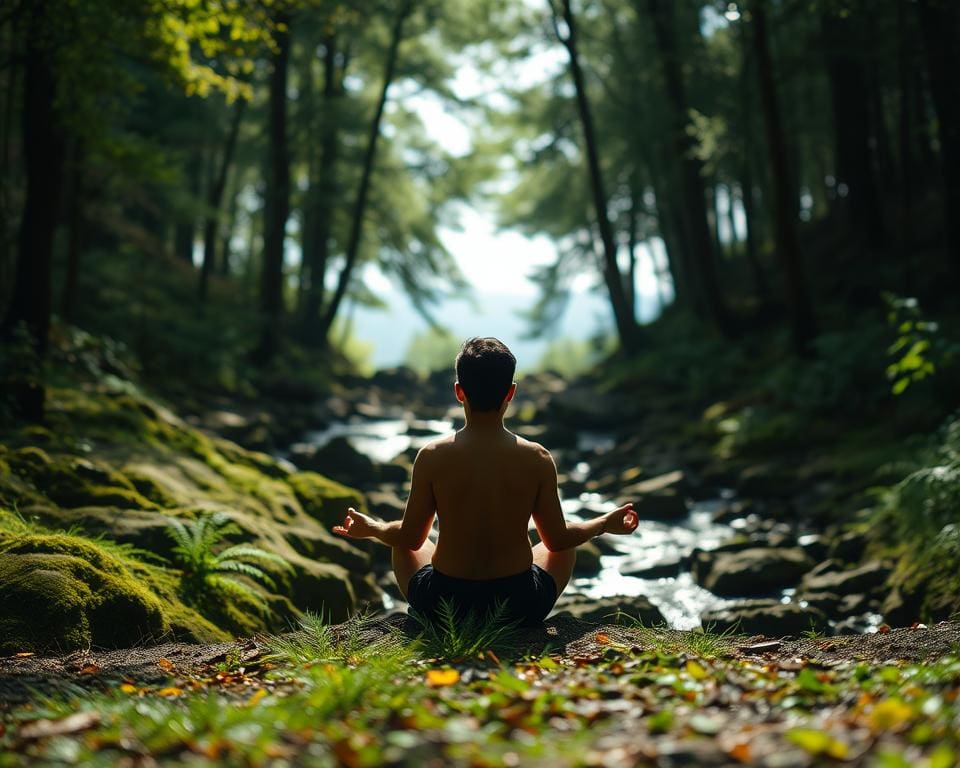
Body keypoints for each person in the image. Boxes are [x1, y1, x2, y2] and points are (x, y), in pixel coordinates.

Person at [332, 336, 639, 626]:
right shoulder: (537, 457)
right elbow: (558, 540)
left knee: (403, 541)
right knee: (565, 543)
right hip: (519, 605)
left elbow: (410, 539)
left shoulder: (432, 456)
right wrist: (603, 523)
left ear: (459, 391)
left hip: (444, 605)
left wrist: (372, 528)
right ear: (511, 393)